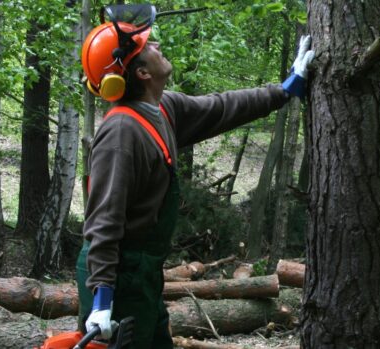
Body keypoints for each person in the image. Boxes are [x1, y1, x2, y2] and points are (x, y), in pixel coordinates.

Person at [76, 4, 314, 348]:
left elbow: (223, 106)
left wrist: (285, 89)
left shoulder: (163, 108)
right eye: (148, 47)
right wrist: (101, 302)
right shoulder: (121, 133)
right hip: (116, 274)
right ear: (141, 73)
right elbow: (103, 222)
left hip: (142, 273)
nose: (156, 45)